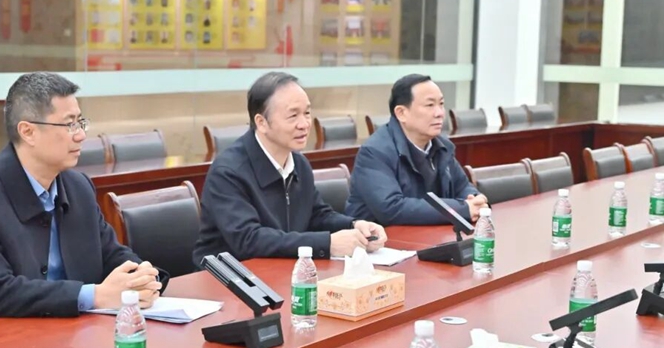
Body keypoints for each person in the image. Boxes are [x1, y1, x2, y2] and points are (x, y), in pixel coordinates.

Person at [0, 72, 166, 322]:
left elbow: (112, 254)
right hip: (8, 339)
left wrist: (141, 277)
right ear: (28, 132)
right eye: (69, 125)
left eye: (80, 122)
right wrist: (94, 296)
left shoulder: (78, 187)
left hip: (78, 333)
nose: (80, 135)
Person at [193, 72, 387, 267]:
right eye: (293, 115)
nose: (304, 124)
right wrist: (328, 244)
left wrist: (354, 226)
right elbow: (249, 240)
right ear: (261, 122)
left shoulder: (299, 163)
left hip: (283, 268)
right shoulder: (228, 172)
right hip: (229, 276)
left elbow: (316, 215)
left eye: (307, 113)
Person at [346, 74, 488, 226]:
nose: (440, 113)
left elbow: (462, 186)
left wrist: (476, 200)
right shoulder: (374, 152)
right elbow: (392, 208)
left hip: (430, 234)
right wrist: (462, 209)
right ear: (401, 113)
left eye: (441, 104)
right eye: (430, 105)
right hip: (381, 238)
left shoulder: (442, 146)